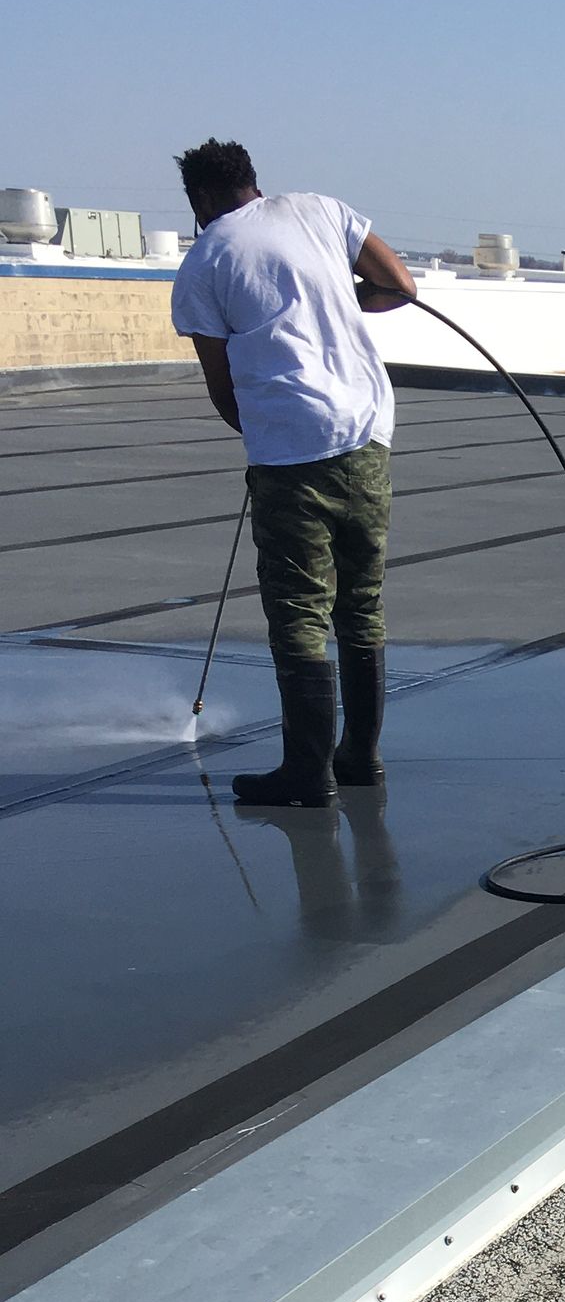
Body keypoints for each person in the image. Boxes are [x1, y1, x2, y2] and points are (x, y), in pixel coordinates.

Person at [170, 140, 416, 805]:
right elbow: (400, 286)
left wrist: (264, 440)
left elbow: (222, 386)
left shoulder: (205, 260)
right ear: (253, 182)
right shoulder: (320, 210)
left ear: (201, 199)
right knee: (361, 603)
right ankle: (360, 758)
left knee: (299, 612)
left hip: (291, 455)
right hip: (368, 432)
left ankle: (308, 774)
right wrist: (337, 302)